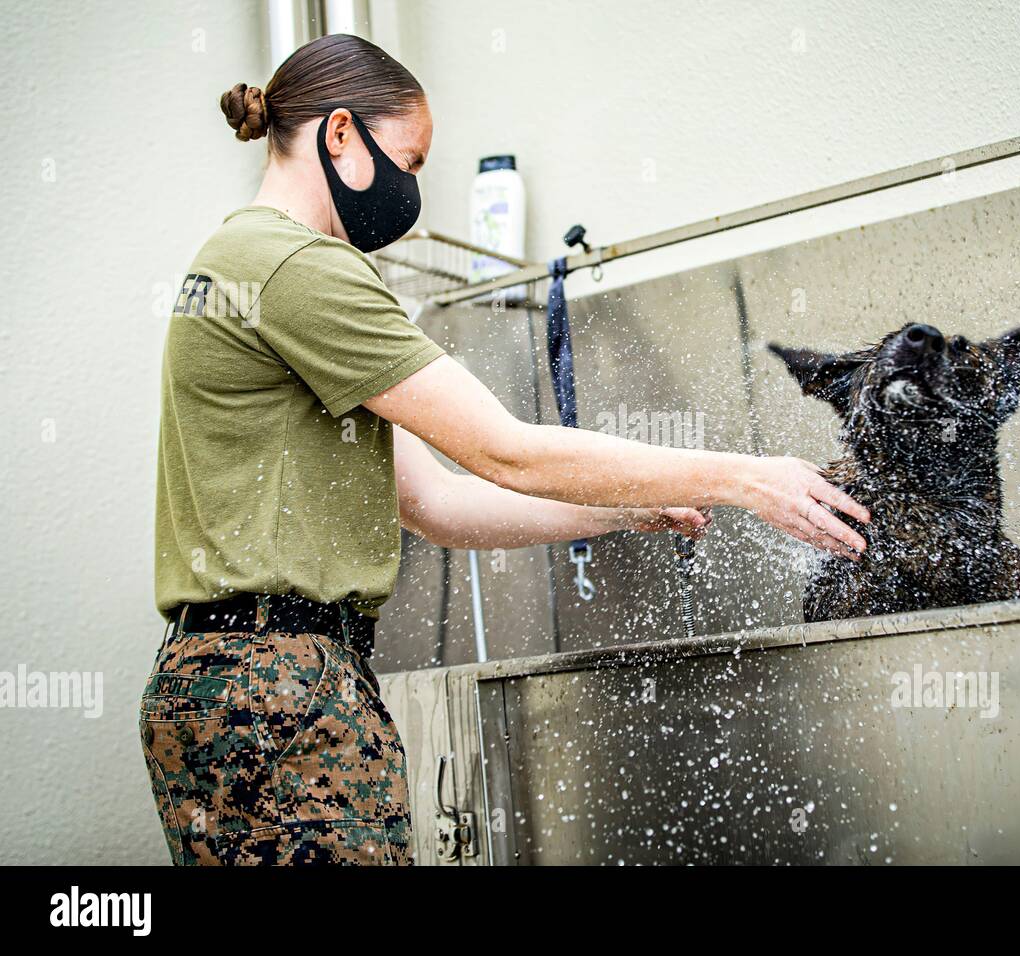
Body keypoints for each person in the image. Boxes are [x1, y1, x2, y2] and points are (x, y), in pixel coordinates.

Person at [142, 33, 871, 866]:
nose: (408, 189)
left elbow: (437, 505)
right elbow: (507, 449)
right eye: (408, 162)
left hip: (224, 681)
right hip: (280, 687)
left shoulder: (238, 260)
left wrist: (624, 507)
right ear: (339, 133)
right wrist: (746, 476)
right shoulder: (298, 267)